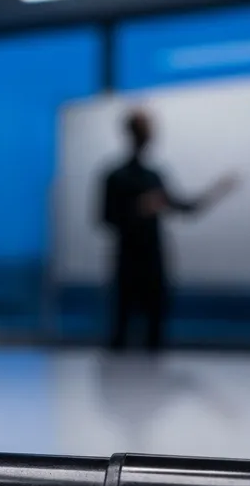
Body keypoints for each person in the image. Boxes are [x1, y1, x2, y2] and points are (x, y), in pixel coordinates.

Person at [100, 109, 239, 352]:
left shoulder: (154, 176)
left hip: (153, 262)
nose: (149, 135)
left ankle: (150, 388)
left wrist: (218, 190)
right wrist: (139, 209)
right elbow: (105, 218)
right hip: (129, 263)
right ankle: (120, 388)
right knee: (121, 331)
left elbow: (187, 207)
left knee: (155, 332)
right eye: (145, 129)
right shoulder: (115, 177)